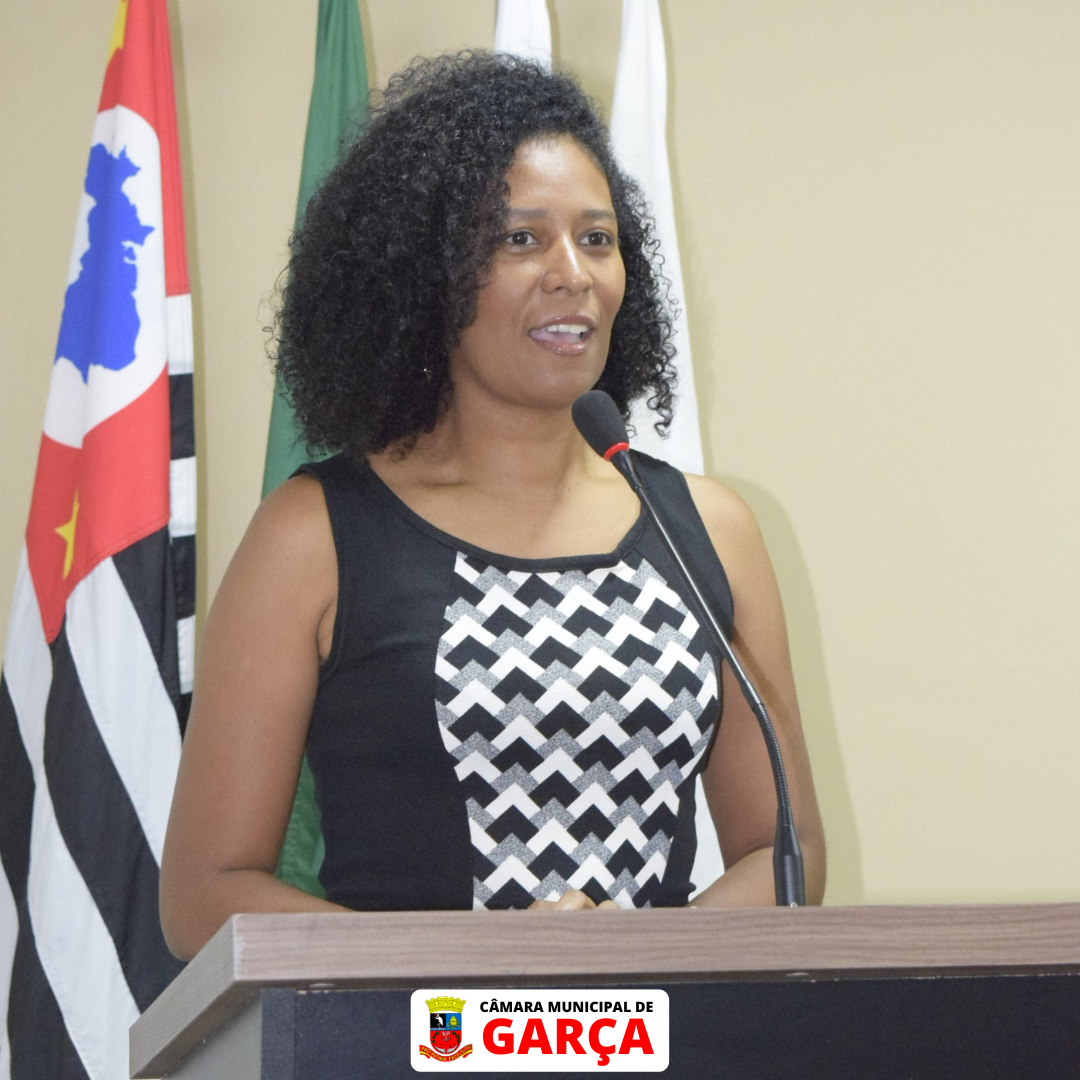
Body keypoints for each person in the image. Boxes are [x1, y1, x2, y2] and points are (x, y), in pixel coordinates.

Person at [159, 52, 825, 962]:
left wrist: (624, 964)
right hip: (407, 1028)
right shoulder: (316, 534)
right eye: (520, 239)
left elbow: (784, 851)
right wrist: (478, 970)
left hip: (656, 1027)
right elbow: (204, 893)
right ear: (425, 273)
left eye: (597, 239)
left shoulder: (707, 529)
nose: (572, 273)